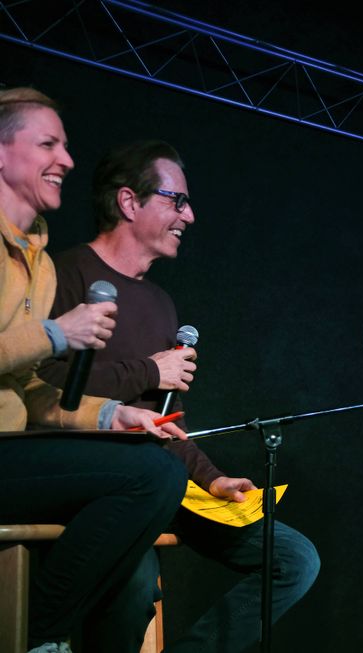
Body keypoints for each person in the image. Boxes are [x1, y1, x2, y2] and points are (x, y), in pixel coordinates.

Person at [37, 139, 320, 653]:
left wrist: (212, 479)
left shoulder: (161, 301)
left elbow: (165, 418)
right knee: (134, 585)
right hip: (98, 487)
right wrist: (148, 370)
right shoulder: (66, 273)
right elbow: (45, 385)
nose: (189, 216)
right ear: (129, 202)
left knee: (295, 559)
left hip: (165, 482)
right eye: (178, 201)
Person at [0, 87, 188, 653]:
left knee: (150, 492)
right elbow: (48, 356)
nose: (67, 159)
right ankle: (39, 636)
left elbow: (32, 388)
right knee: (152, 476)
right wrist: (58, 333)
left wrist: (111, 415)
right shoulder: (61, 269)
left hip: (14, 451)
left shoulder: (36, 260)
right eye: (48, 144)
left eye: (65, 146)